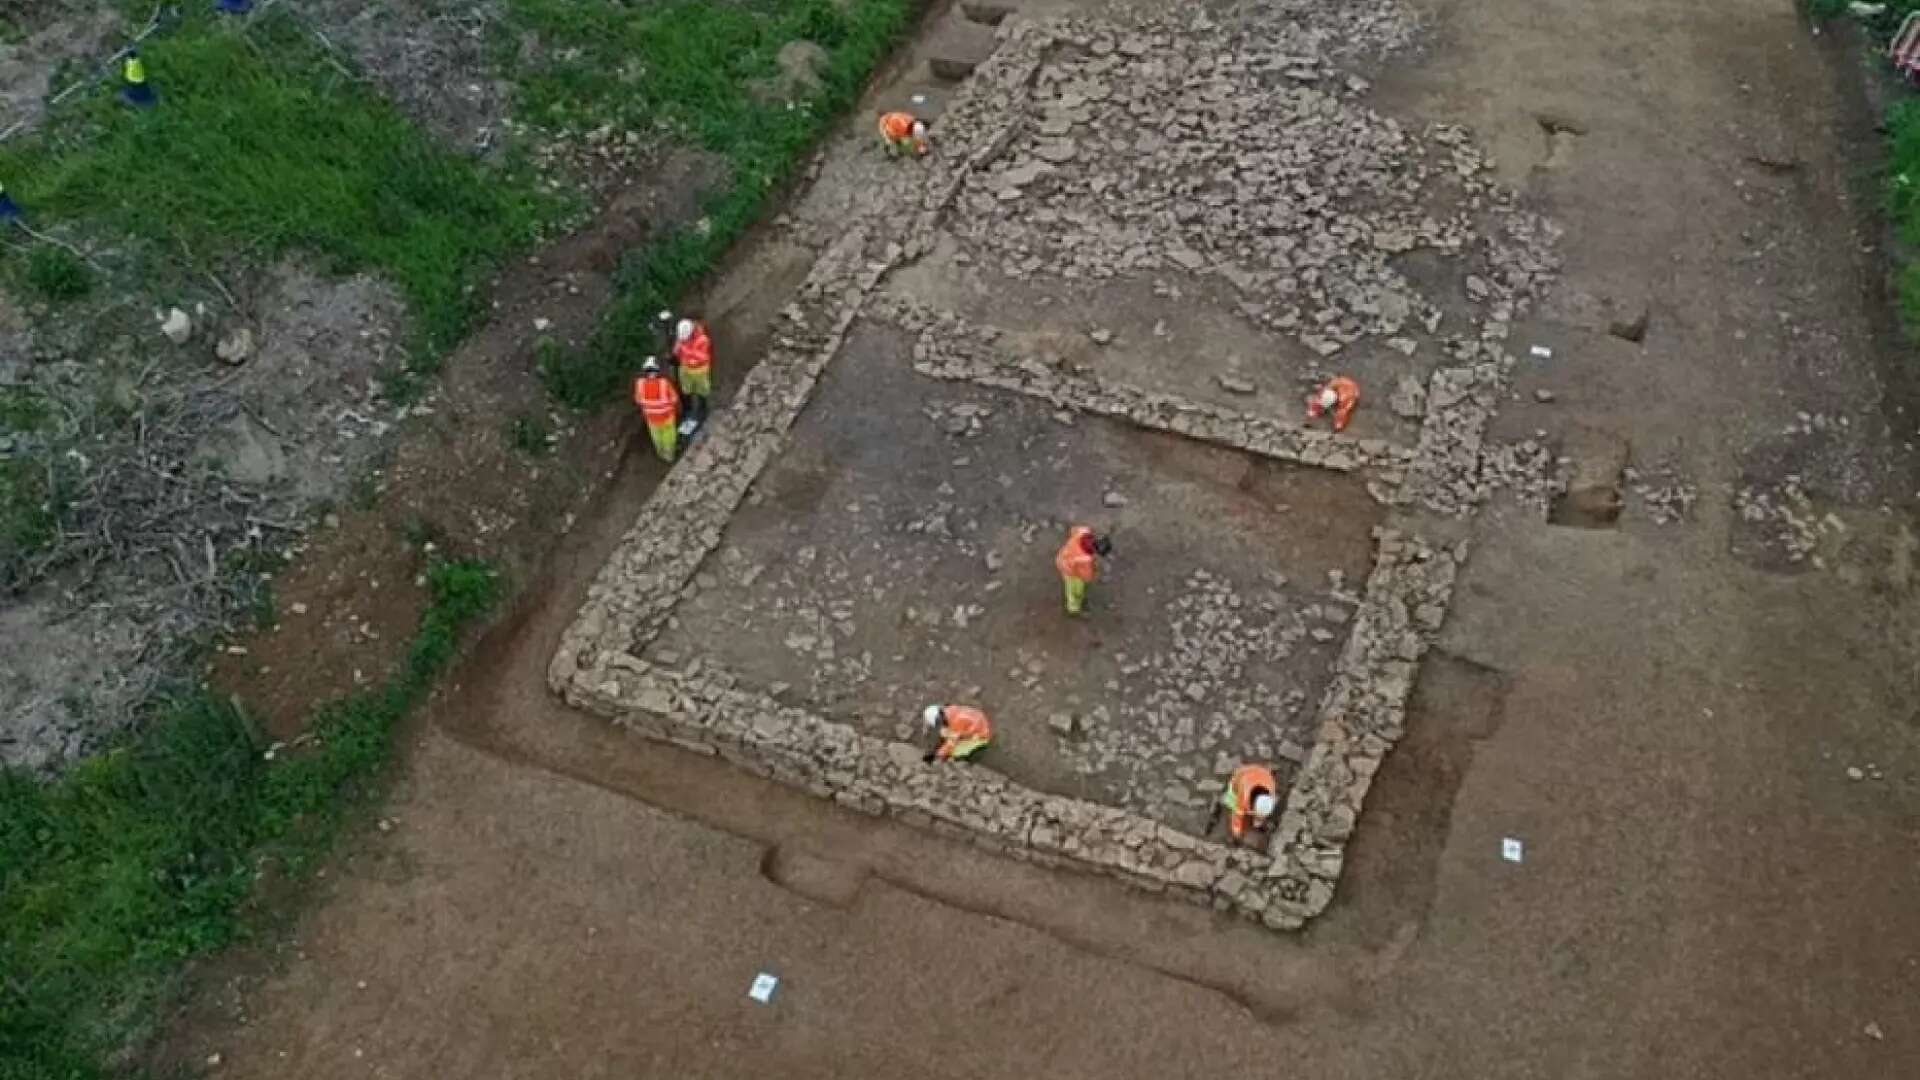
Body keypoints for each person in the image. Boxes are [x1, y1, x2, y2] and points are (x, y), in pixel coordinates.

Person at [1208, 764, 1279, 845]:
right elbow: (1237, 818)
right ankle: (1221, 799)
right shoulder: (1243, 798)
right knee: (1231, 802)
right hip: (1238, 779)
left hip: (1255, 773)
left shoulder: (1270, 786)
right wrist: (1236, 834)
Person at [1054, 525, 1112, 617]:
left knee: (1072, 587)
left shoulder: (1084, 531)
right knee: (1076, 591)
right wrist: (1093, 575)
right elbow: (1087, 576)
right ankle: (1073, 609)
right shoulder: (1086, 559)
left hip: (1063, 556)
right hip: (1070, 571)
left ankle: (1074, 606)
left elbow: (1073, 530)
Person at [670, 316, 714, 435]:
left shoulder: (703, 340)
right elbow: (677, 347)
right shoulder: (682, 337)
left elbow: (703, 357)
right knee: (686, 389)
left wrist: (687, 350)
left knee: (702, 390)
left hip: (699, 370)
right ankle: (688, 410)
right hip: (685, 369)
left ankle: (703, 409)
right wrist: (675, 353)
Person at [634, 357, 680, 463]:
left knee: (657, 438)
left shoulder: (640, 384)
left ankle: (660, 454)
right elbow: (674, 399)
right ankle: (669, 457)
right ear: (656, 370)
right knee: (669, 438)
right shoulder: (664, 383)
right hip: (667, 417)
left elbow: (638, 400)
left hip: (651, 419)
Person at [921, 704, 992, 763]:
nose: (940, 724)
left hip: (981, 736)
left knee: (953, 754)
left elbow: (952, 742)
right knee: (946, 733)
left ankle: (965, 759)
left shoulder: (957, 722)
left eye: (938, 723)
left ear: (939, 718)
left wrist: (937, 756)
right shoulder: (950, 710)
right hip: (977, 724)